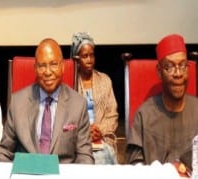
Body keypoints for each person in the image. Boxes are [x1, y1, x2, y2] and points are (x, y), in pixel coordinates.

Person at [0, 38, 94, 164]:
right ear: (35, 69)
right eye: (42, 66)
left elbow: (84, 156)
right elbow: (4, 151)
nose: (47, 72)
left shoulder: (78, 105)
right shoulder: (17, 102)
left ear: (62, 67)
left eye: (53, 64)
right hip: (27, 173)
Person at [126, 34, 198, 173]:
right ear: (159, 72)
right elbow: (134, 169)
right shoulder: (144, 116)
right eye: (169, 67)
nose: (178, 74)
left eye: (183, 66)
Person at [71, 32, 118, 164]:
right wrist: (86, 133)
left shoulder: (105, 80)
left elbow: (112, 114)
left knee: (102, 157)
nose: (89, 60)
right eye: (85, 56)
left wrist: (99, 130)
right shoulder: (70, 84)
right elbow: (65, 120)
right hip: (78, 142)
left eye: (92, 55)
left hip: (103, 139)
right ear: (77, 59)